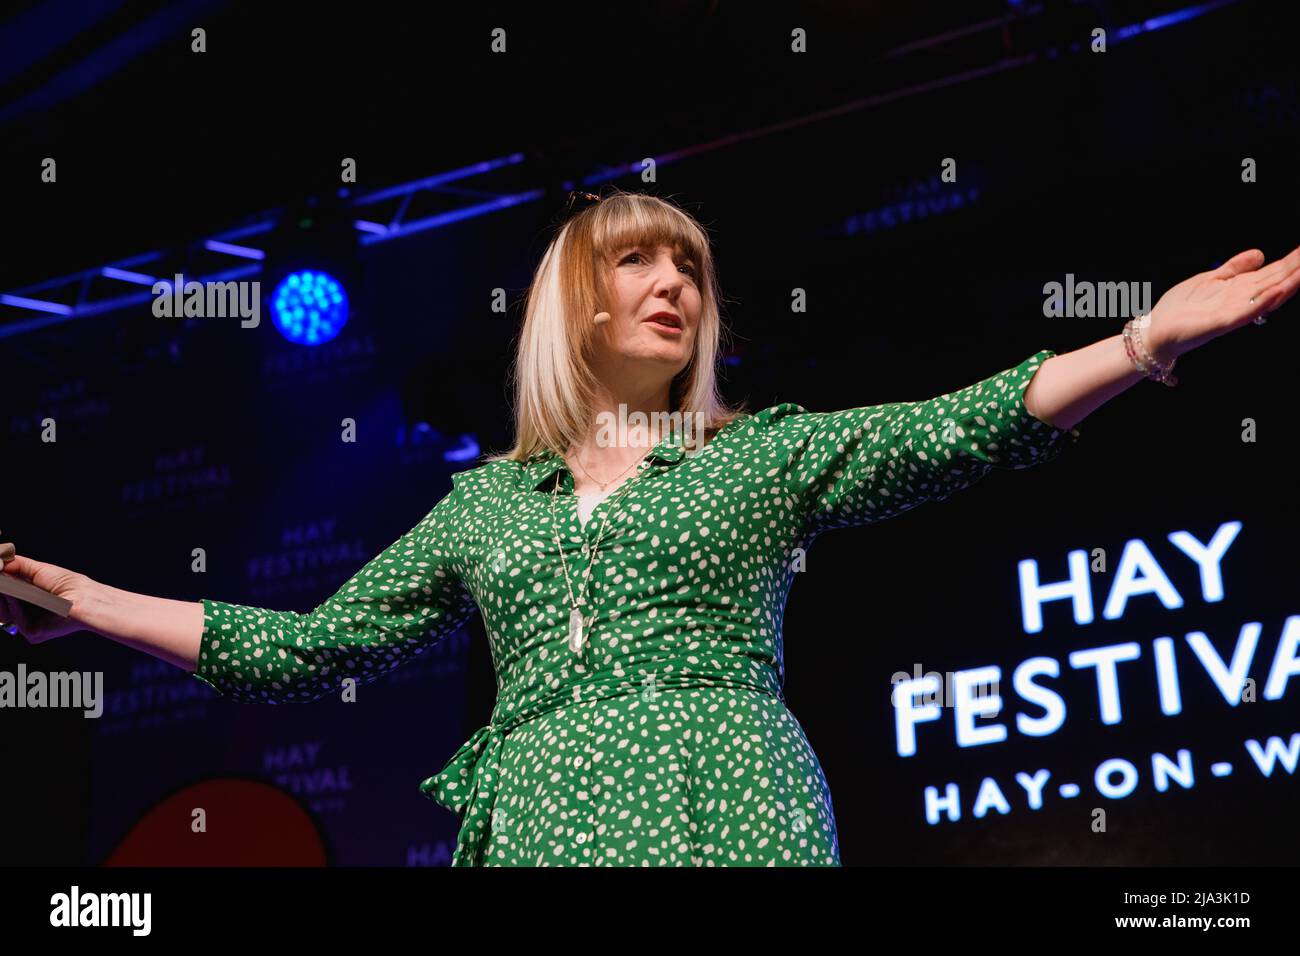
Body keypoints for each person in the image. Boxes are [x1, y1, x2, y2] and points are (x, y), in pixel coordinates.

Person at [3, 190, 1298, 866]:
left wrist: (1142, 339)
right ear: (574, 304)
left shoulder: (763, 453)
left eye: (689, 267)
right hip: (545, 818)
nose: (674, 282)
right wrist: (78, 601)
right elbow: (307, 649)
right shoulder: (486, 504)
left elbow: (965, 424)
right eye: (637, 262)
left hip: (723, 795)